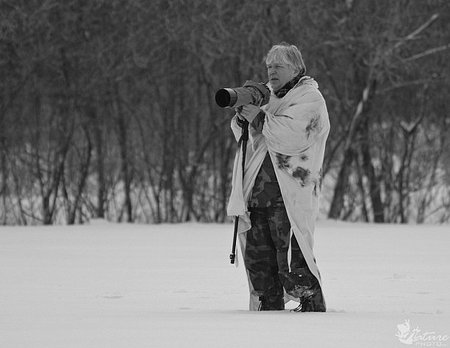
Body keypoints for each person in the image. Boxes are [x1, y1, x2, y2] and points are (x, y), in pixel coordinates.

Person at [227, 42, 330, 311]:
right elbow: (247, 140)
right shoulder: (266, 96)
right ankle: (267, 307)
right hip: (259, 195)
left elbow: (294, 136)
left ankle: (311, 306)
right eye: (269, 66)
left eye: (278, 66)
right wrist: (242, 119)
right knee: (259, 261)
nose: (271, 71)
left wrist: (259, 119)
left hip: (289, 194)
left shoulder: (309, 98)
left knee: (293, 262)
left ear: (296, 68)